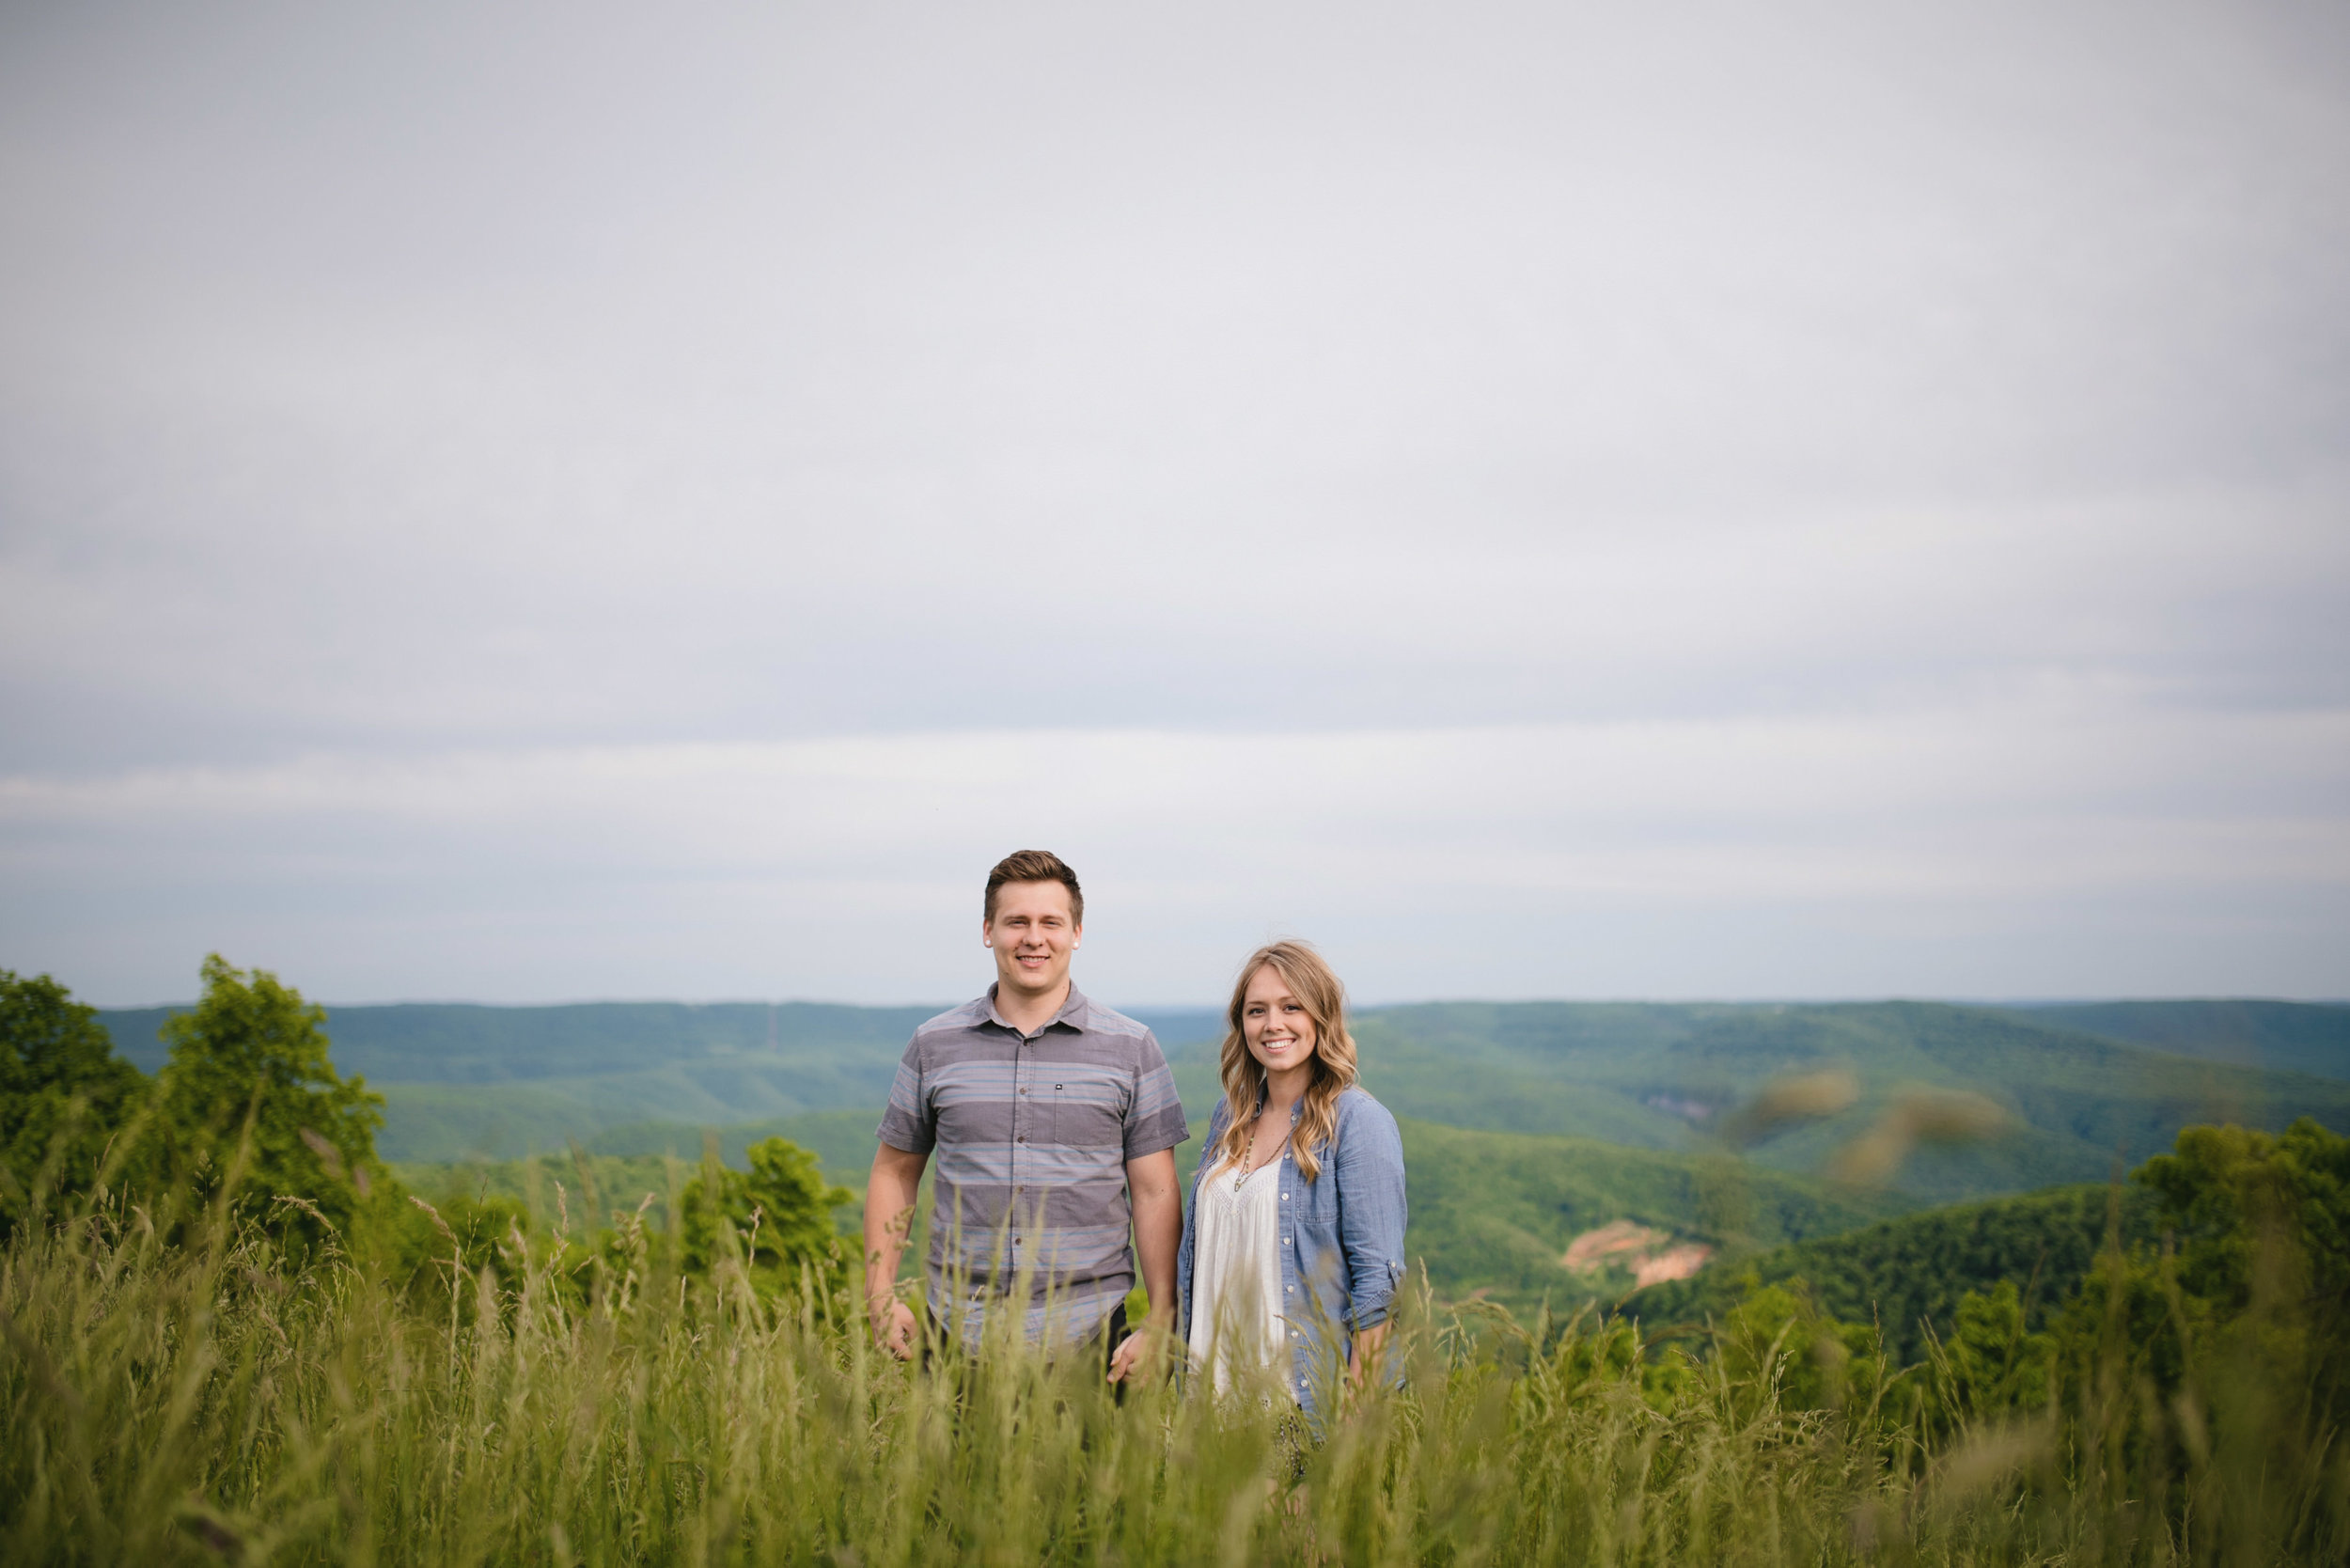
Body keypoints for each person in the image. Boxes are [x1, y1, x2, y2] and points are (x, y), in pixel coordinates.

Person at [864, 850, 1188, 1383]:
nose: (1033, 938)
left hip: (1092, 1343)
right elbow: (894, 1171)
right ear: (988, 930)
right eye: (1017, 922)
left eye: (1050, 923)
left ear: (1076, 932)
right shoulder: (933, 1044)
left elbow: (1155, 1191)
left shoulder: (1132, 1049)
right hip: (954, 1336)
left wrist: (1161, 1318)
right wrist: (880, 1294)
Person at [1176, 940, 1407, 1418]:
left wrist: (1349, 1423)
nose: (1273, 1024)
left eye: (1291, 1007)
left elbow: (1378, 1287)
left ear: (1321, 1017)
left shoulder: (1358, 1122)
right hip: (1209, 1403)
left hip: (1294, 1407)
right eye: (1256, 1010)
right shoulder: (1230, 1117)